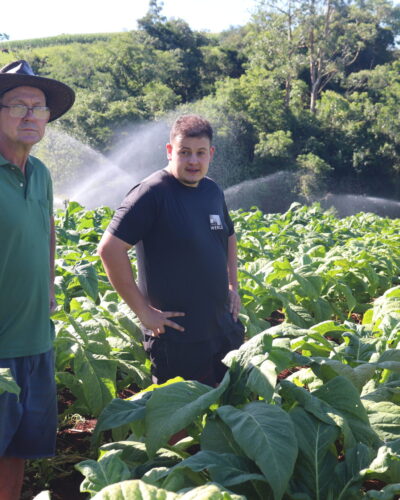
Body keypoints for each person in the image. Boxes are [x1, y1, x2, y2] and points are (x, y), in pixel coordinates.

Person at [98, 114, 244, 388]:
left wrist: (232, 284)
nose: (193, 161)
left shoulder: (212, 190)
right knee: (177, 420)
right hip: (178, 339)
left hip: (222, 329)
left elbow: (230, 236)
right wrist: (143, 312)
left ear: (211, 153)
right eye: (184, 152)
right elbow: (109, 250)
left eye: (200, 153)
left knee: (226, 411)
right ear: (169, 151)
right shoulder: (150, 193)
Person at [0, 60, 75, 500]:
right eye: (18, 106)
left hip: (34, 343)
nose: (31, 116)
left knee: (16, 455)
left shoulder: (42, 173)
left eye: (39, 107)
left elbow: (45, 230)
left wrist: (48, 287)